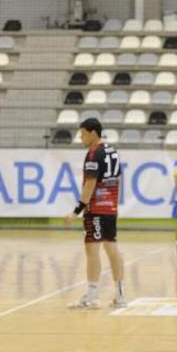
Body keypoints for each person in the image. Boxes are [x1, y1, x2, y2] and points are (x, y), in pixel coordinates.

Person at [63, 118, 126, 309]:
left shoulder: (93, 153)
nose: (81, 137)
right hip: (110, 208)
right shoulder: (112, 151)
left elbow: (90, 184)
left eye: (82, 133)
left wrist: (76, 211)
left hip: (96, 209)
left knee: (92, 251)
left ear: (92, 132)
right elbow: (116, 180)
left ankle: (91, 297)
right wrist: (114, 205)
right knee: (112, 250)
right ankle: (120, 295)